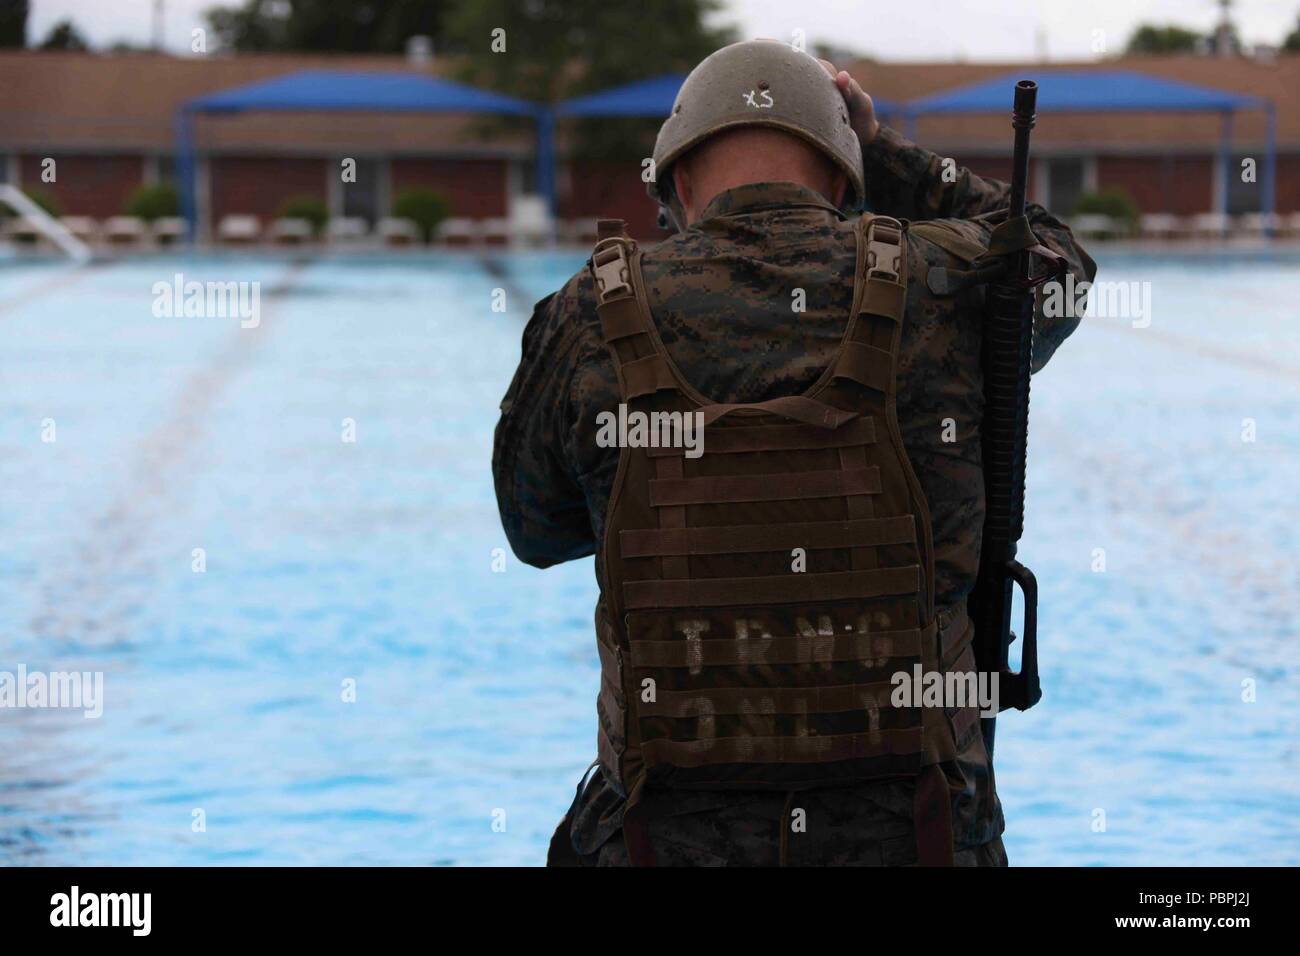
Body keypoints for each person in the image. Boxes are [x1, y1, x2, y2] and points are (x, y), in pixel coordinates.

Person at [493, 39, 1096, 866]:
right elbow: (1064, 265)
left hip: (661, 833)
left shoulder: (590, 316)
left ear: (676, 183)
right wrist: (888, 153)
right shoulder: (940, 286)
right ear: (846, 180)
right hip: (914, 826)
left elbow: (535, 529)